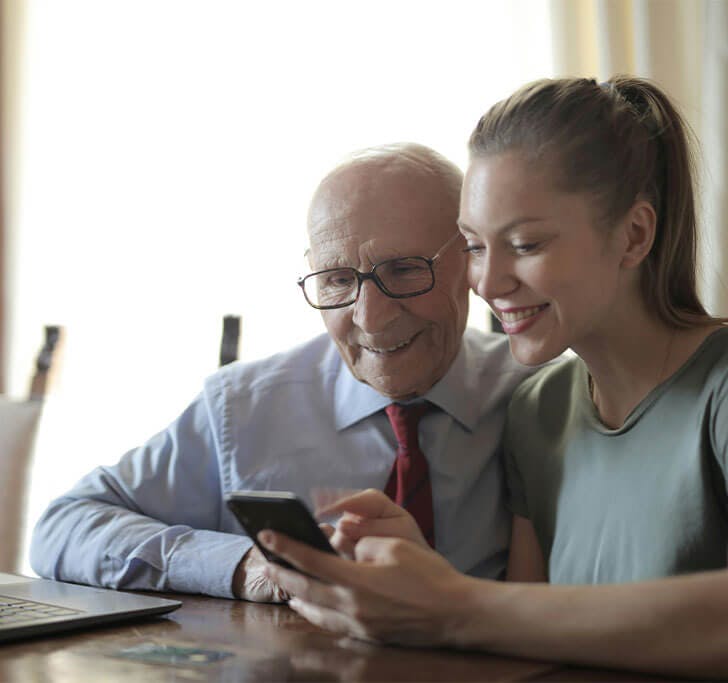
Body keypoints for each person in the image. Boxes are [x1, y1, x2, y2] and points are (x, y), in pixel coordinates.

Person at [257, 76, 728, 679]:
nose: (487, 281)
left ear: (634, 234)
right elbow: (523, 635)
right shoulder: (538, 411)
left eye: (525, 244)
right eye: (475, 247)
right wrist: (422, 577)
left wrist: (453, 603)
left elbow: (491, 614)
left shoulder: (717, 390)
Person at [30, 143, 537, 601]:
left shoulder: (541, 400)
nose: (369, 317)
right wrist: (241, 565)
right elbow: (63, 527)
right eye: (338, 280)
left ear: (472, 261)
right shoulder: (243, 408)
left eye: (404, 270)